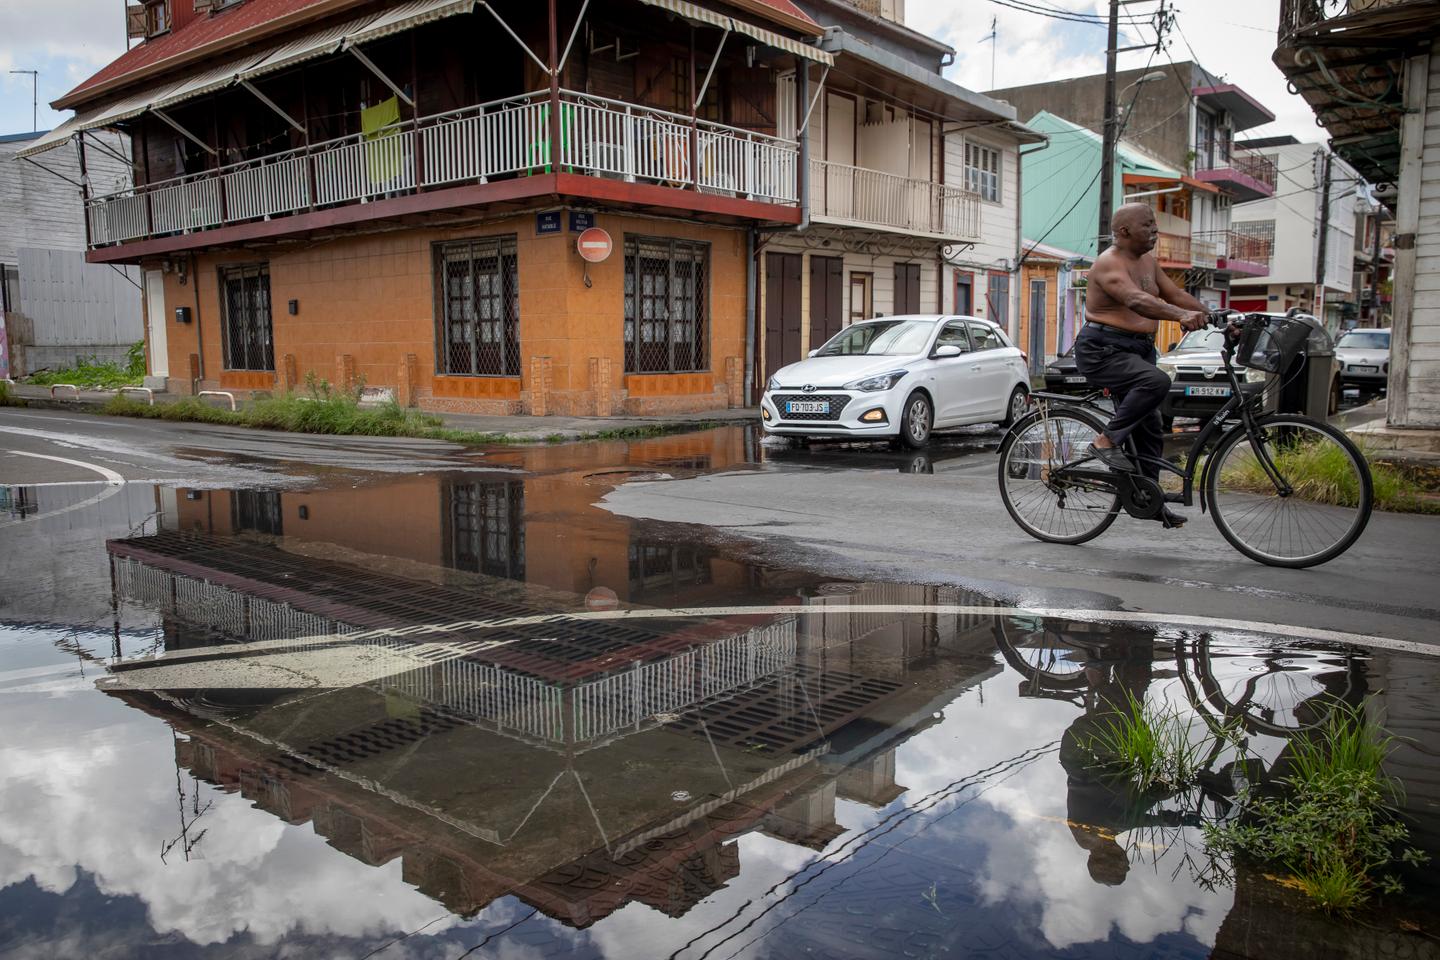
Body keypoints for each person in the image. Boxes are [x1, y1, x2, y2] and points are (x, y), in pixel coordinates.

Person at [1074, 202, 1206, 528]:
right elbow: (1136, 300)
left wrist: (1212, 315)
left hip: (1138, 349)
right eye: (1148, 225)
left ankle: (1150, 500)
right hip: (1103, 349)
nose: (1155, 232)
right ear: (1124, 231)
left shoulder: (1148, 261)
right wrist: (1181, 317)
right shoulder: (1108, 263)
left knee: (1150, 430)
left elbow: (1174, 294)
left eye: (1155, 226)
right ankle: (1104, 442)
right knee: (1157, 382)